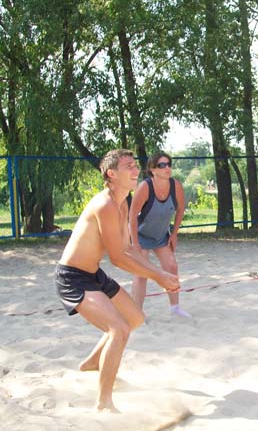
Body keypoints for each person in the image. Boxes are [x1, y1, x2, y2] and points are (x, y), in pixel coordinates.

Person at [55, 149, 180, 412]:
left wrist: (159, 273)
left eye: (135, 165)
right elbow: (118, 258)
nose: (136, 170)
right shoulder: (105, 205)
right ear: (112, 174)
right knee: (119, 329)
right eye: (129, 166)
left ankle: (93, 363)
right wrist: (158, 276)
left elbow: (128, 249)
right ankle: (103, 404)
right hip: (73, 278)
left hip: (93, 274)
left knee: (134, 318)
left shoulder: (122, 202)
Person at [129, 151, 190, 318]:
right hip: (141, 235)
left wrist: (174, 234)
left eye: (169, 164)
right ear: (152, 169)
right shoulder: (145, 187)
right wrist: (135, 243)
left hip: (161, 236)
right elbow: (132, 216)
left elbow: (180, 209)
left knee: (172, 267)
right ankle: (137, 314)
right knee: (141, 273)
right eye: (162, 165)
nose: (167, 168)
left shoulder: (175, 186)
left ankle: (175, 309)